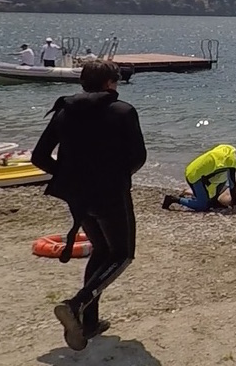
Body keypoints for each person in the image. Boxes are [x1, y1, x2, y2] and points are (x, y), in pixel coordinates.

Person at [30, 60, 146, 351]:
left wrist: (67, 175)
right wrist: (118, 176)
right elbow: (138, 157)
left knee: (102, 250)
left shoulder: (65, 111)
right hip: (109, 193)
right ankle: (76, 304)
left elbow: (39, 157)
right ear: (110, 83)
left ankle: (89, 323)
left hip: (76, 196)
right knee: (122, 255)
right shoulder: (122, 111)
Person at [162, 144, 236, 211]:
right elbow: (232, 185)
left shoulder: (228, 148)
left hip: (196, 168)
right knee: (203, 206)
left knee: (223, 177)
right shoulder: (231, 162)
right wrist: (235, 205)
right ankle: (174, 199)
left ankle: (212, 199)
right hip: (195, 176)